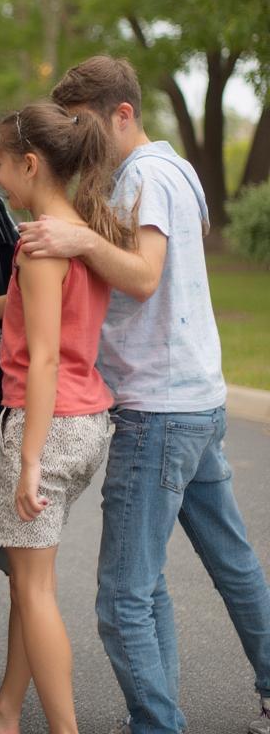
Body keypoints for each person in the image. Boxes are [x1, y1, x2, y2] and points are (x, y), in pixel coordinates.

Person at [19, 55, 270, 734]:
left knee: (123, 596)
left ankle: (157, 727)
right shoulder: (176, 169)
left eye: (83, 123)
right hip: (195, 398)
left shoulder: (146, 176)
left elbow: (145, 276)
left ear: (121, 114)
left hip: (157, 409)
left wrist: (75, 236)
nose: (76, 138)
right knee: (229, 565)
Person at [0, 101, 131, 734]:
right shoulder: (77, 231)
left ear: (31, 163)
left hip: (48, 425)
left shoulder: (40, 245)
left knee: (37, 592)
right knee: (27, 579)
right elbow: (35, 307)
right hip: (88, 421)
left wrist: (31, 458)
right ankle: (3, 712)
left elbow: (42, 357)